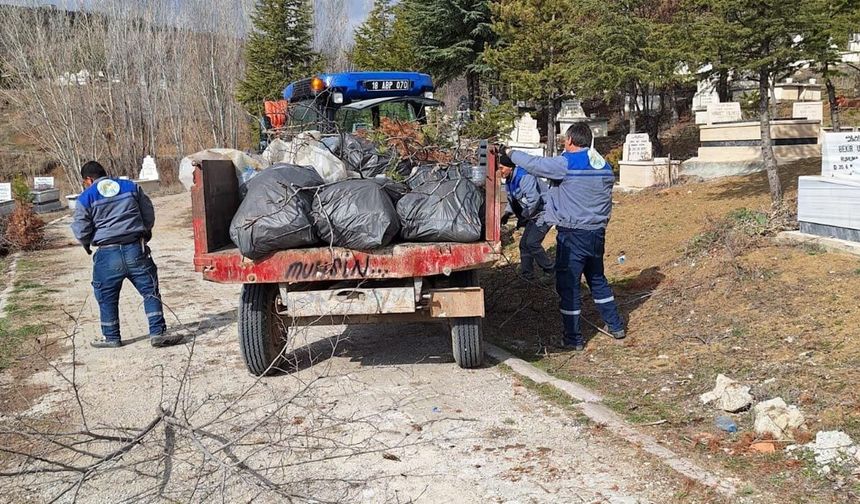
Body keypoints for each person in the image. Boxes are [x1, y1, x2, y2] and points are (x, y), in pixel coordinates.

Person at [498, 123, 625, 351]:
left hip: (573, 234)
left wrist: (510, 153)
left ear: (570, 141)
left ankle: (573, 338)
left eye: (565, 141)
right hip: (597, 233)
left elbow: (536, 165)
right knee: (597, 279)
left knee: (569, 286)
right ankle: (615, 325)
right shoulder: (603, 166)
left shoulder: (567, 163)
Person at [71, 161, 180, 349]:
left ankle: (111, 337)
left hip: (107, 253)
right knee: (150, 292)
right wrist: (145, 230)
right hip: (135, 248)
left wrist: (86, 243)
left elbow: (81, 229)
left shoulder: (85, 197)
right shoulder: (130, 187)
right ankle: (158, 333)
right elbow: (148, 212)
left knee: (106, 296)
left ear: (88, 179)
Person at [499, 163, 554, 280]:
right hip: (534, 214)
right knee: (524, 244)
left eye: (501, 168)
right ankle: (527, 274)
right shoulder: (509, 181)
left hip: (545, 212)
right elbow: (512, 199)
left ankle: (550, 270)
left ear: (510, 167)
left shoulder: (524, 177)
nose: (500, 171)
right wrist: (507, 213)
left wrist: (524, 216)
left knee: (532, 243)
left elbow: (534, 200)